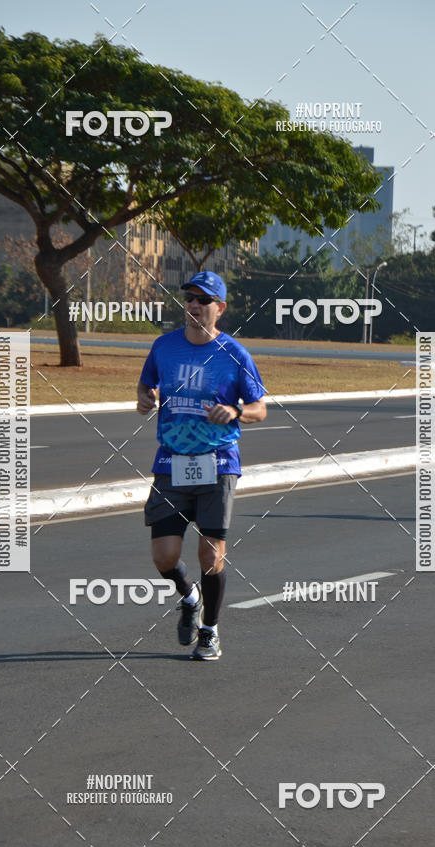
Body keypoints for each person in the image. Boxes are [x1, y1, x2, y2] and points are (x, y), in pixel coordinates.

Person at [137, 270, 267, 660]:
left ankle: (209, 631)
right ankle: (189, 596)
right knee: (163, 556)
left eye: (203, 300)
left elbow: (260, 408)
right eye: (189, 298)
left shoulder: (235, 354)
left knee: (211, 556)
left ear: (219, 308)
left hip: (218, 462)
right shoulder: (164, 346)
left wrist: (237, 411)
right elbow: (146, 384)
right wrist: (145, 397)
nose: (194, 305)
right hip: (170, 461)